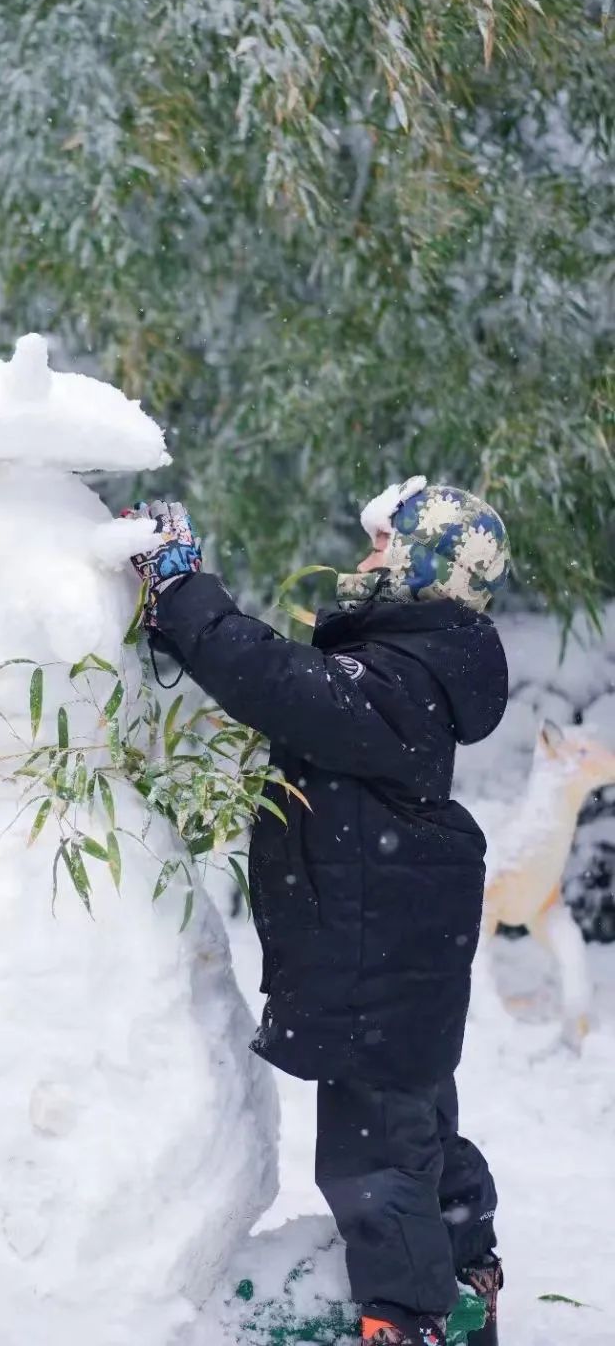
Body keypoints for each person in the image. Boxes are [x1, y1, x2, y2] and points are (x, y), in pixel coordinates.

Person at [125, 479, 510, 1346]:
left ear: (424, 567)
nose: (365, 559)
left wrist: (184, 588)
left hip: (381, 965)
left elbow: (278, 681)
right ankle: (467, 1282)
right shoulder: (418, 666)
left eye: (383, 548)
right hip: (389, 960)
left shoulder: (405, 677)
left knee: (375, 1162)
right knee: (416, 1135)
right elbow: (294, 682)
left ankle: (409, 1322)